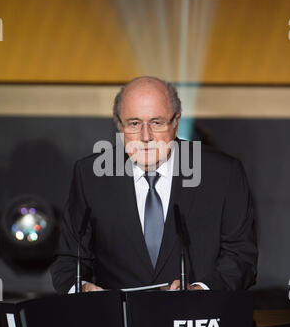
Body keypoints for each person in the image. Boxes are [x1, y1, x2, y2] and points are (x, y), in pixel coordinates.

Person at [50, 76, 258, 293]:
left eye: (156, 122)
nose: (146, 136)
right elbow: (68, 262)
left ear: (176, 122)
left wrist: (200, 292)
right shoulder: (90, 176)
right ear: (119, 126)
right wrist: (83, 290)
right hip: (118, 321)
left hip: (195, 320)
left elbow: (241, 256)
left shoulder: (221, 174)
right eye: (134, 123)